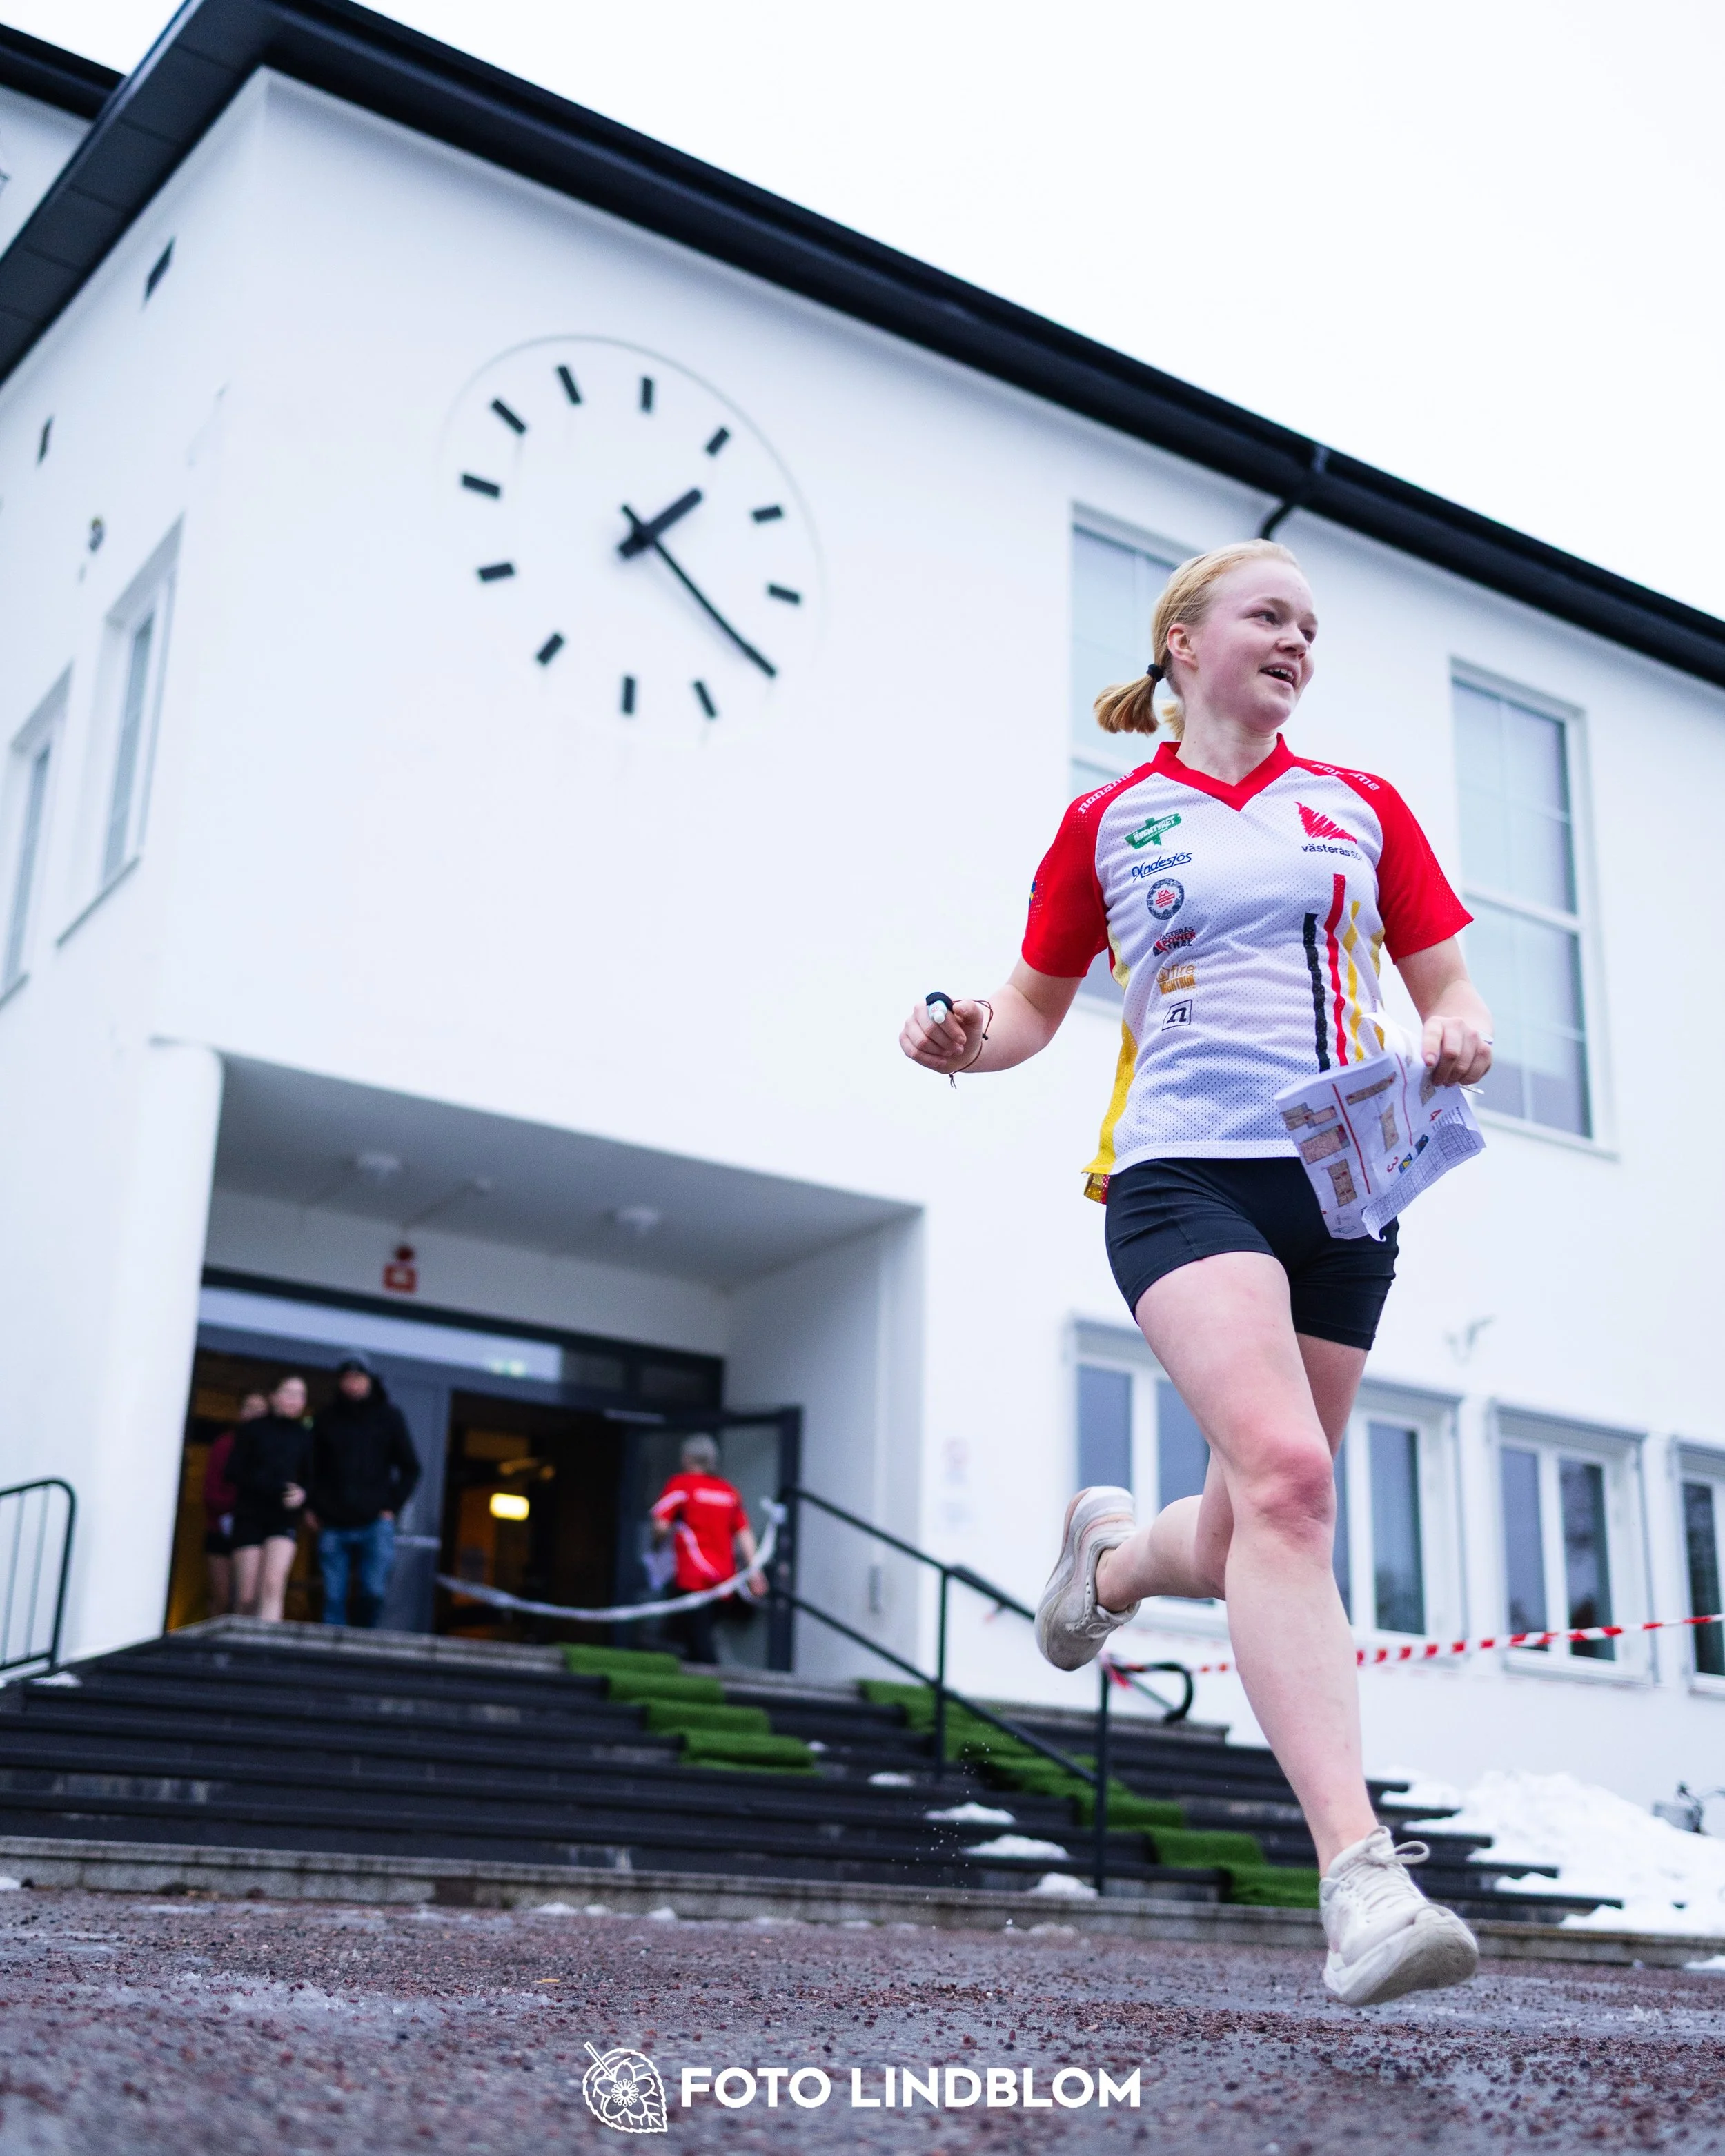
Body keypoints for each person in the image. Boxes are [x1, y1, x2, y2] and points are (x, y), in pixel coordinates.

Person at [900, 539, 1493, 2008]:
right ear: (1180, 641)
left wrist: (1459, 1032)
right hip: (1184, 1175)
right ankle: (1359, 1878)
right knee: (1292, 1481)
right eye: (1267, 615)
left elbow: (1447, 982)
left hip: (1348, 1182)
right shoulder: (1107, 819)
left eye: (1311, 625)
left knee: (1249, 1526)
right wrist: (962, 1033)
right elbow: (1032, 1004)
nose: (1297, 641)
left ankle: (1105, 1565)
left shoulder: (1358, 808)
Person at [306, 1354, 421, 1629]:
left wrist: (391, 1505)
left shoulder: (390, 1418)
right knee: (333, 1596)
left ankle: (363, 1644)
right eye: (347, 1378)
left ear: (370, 1381)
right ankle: (328, 1657)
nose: (352, 1384)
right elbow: (311, 1467)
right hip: (333, 1521)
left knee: (373, 1592)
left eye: (358, 1378)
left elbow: (411, 1467)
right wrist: (314, 1506)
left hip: (375, 1521)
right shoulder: (326, 1419)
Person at [649, 1436, 766, 1665]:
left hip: (692, 1578)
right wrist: (754, 1573)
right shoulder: (729, 1492)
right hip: (724, 1581)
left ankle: (714, 1689)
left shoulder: (681, 1485)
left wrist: (657, 1543)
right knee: (687, 1636)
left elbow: (660, 1526)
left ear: (687, 1458)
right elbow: (744, 1534)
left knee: (696, 1644)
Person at [230, 1374, 313, 1622]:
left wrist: (302, 1494)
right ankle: (240, 1648)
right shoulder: (252, 1430)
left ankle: (264, 1654)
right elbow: (233, 1471)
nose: (294, 1400)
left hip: (283, 1517)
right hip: (250, 1514)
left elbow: (313, 1477)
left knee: (273, 1586)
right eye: (288, 1392)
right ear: (274, 1396)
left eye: (300, 1395)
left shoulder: (306, 1435)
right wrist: (270, 1486)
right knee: (246, 1596)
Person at [203, 1390, 267, 1617]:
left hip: (254, 1532)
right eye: (250, 1407)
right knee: (221, 1597)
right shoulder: (225, 1444)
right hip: (220, 1531)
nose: (255, 1414)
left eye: (261, 1409)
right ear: (240, 1412)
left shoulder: (270, 1448)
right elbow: (211, 1492)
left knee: (249, 1599)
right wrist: (240, 1506)